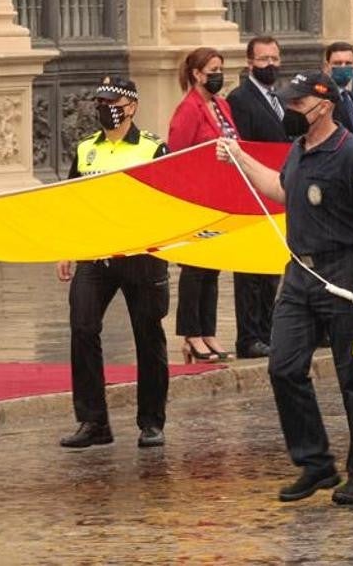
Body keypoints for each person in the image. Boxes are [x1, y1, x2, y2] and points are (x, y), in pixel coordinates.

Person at [216, 71, 353, 505]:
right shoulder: (299, 148)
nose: (288, 112)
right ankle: (315, 464)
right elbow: (280, 188)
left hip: (344, 274)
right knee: (284, 367)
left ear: (322, 105)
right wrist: (239, 157)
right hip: (300, 276)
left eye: (296, 105)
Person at [57, 76, 171, 450]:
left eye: (112, 101)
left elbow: (171, 201)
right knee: (82, 328)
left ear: (131, 106)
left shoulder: (154, 149)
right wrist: (66, 248)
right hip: (96, 254)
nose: (105, 107)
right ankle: (93, 421)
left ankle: (151, 421)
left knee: (147, 335)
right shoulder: (86, 148)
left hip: (141, 254)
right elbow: (72, 201)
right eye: (100, 100)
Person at [168, 47, 236, 361]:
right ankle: (191, 334)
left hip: (221, 195)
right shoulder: (188, 110)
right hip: (197, 197)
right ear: (196, 74)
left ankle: (208, 330)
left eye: (220, 69)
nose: (218, 76)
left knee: (212, 266)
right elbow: (178, 157)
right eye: (212, 71)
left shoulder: (221, 105)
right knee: (194, 269)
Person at [225, 36, 285, 359]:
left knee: (271, 269)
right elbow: (244, 147)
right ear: (250, 63)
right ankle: (248, 337)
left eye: (275, 58)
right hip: (252, 195)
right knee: (250, 273)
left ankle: (267, 330)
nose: (270, 65)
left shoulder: (279, 97)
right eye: (263, 60)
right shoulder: (241, 98)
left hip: (276, 190)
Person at [323, 41, 353, 134]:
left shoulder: (352, 98)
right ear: (327, 66)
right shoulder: (321, 99)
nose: (343, 67)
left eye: (348, 63)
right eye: (337, 63)